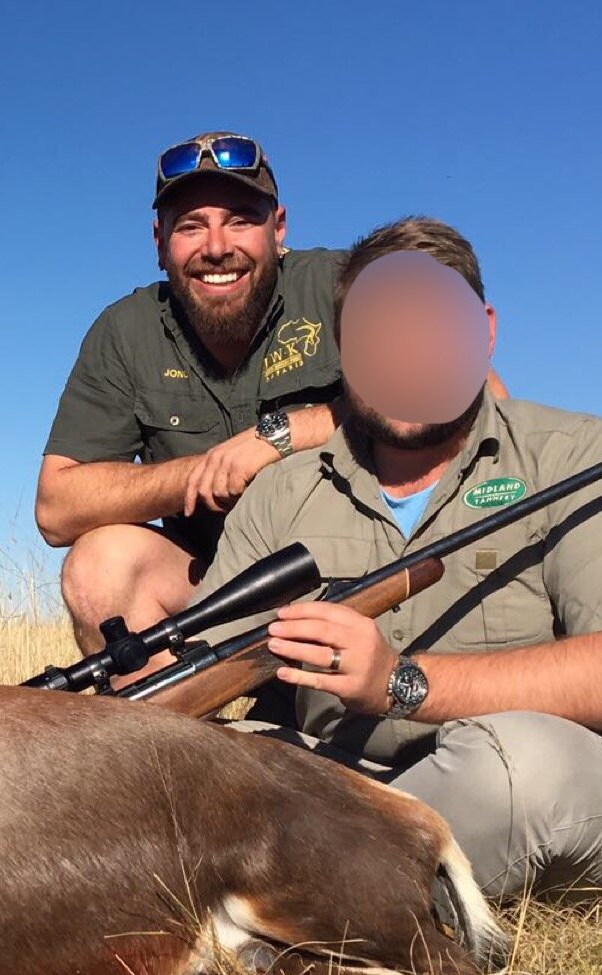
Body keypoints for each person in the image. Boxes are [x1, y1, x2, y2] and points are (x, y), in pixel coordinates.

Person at [193, 216, 602, 904]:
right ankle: (310, 905)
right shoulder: (283, 489)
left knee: (521, 767)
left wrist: (400, 683)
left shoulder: (583, 451)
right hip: (346, 781)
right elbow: (194, 657)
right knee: (197, 762)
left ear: (483, 330)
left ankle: (293, 910)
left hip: (540, 782)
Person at [36, 132, 502, 677]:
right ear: (160, 242)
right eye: (190, 225)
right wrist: (204, 475)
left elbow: (483, 395)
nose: (216, 247)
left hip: (366, 572)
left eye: (239, 219)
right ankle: (174, 748)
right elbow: (56, 507)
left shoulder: (341, 284)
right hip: (220, 590)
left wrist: (286, 434)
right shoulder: (124, 331)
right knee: (99, 566)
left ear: (278, 228)